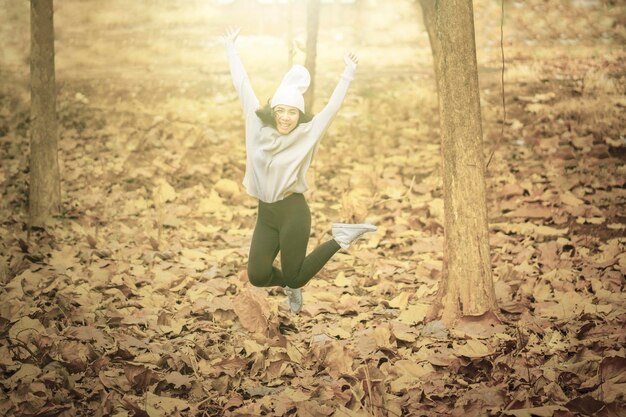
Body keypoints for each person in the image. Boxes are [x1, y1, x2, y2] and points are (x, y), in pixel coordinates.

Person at [222, 27, 376, 314]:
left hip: (293, 211)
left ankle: (340, 237)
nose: (285, 117)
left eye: (292, 112)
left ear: (299, 115)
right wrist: (232, 49)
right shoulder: (256, 124)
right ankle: (291, 285)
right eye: (281, 110)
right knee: (257, 275)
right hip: (266, 214)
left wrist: (348, 73)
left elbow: (331, 108)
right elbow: (242, 85)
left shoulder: (307, 133)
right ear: (273, 109)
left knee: (295, 275)